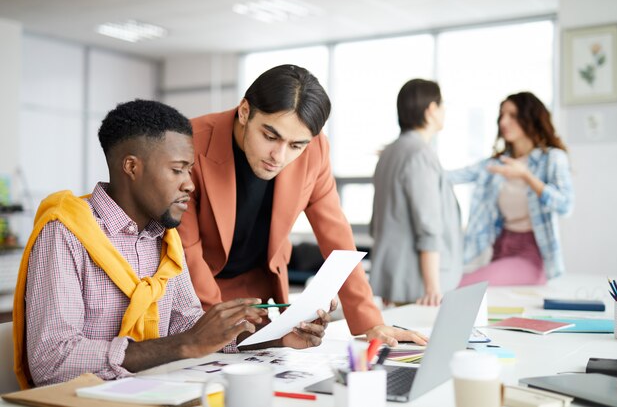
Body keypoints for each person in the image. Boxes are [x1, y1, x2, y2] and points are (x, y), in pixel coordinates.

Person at [13, 99, 331, 388]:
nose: (189, 184)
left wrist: (276, 338)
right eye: (178, 170)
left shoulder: (164, 237)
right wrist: (183, 344)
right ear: (132, 167)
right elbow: (51, 361)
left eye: (190, 170)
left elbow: (194, 328)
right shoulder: (65, 233)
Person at [177, 64, 426, 345]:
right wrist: (220, 326)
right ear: (245, 111)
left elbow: (337, 235)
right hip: (195, 293)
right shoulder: (189, 142)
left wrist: (371, 322)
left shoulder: (316, 149)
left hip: (258, 296)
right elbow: (187, 252)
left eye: (296, 145)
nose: (279, 156)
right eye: (270, 137)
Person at [448, 92, 574, 286]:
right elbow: (451, 176)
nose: (503, 122)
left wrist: (527, 176)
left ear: (530, 118)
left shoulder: (552, 159)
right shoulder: (498, 163)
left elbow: (565, 205)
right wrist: (410, 159)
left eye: (512, 115)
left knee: (462, 285)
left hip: (530, 256)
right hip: (500, 249)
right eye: (502, 115)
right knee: (456, 284)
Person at [369, 79, 463, 307]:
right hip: (421, 285)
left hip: (395, 279)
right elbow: (428, 225)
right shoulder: (420, 154)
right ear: (431, 109)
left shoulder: (389, 152)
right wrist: (432, 287)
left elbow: (380, 222)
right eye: (442, 105)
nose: (444, 111)